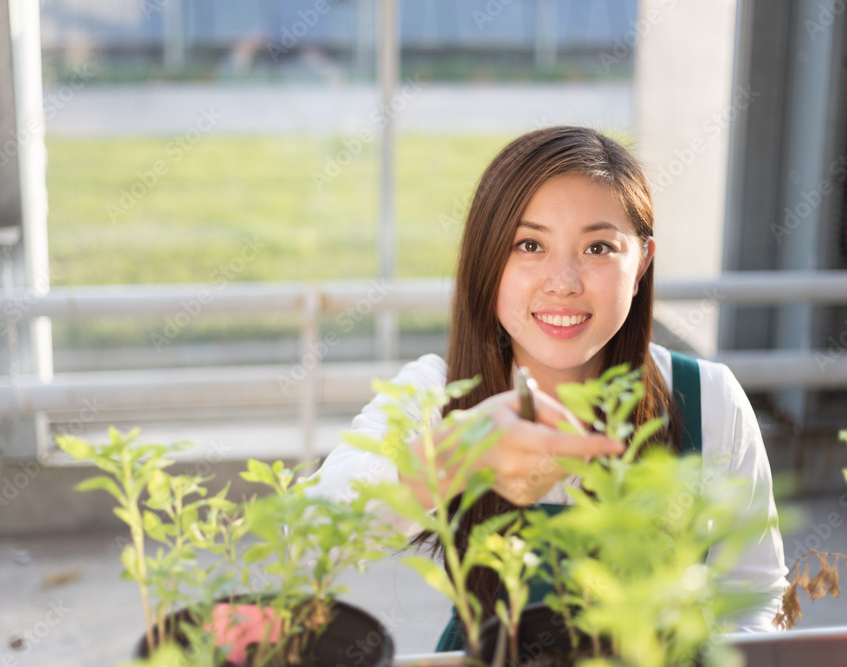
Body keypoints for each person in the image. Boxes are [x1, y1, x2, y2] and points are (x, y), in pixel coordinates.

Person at [309, 126, 788, 647]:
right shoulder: (437, 391)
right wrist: (455, 460)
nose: (563, 281)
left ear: (642, 263)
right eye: (529, 244)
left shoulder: (705, 397)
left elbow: (755, 594)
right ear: (487, 258)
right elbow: (313, 534)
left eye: (599, 247)